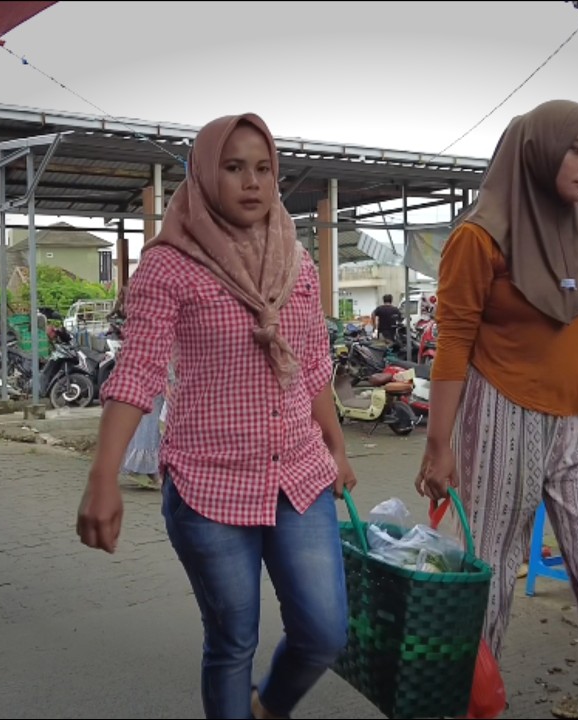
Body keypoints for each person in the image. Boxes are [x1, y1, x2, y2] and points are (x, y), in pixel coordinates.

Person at [75, 113, 357, 720]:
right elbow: (138, 373)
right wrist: (103, 476)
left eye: (263, 169)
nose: (251, 182)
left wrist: (338, 448)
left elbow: (311, 366)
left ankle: (270, 706)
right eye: (233, 168)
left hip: (299, 479)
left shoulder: (297, 263)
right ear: (205, 175)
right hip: (208, 484)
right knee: (232, 642)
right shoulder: (170, 264)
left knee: (326, 632)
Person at [414, 100, 578, 719]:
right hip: (501, 412)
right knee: (484, 585)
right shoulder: (477, 237)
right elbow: (453, 342)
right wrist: (439, 444)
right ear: (537, 149)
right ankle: (463, 707)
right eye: (576, 149)